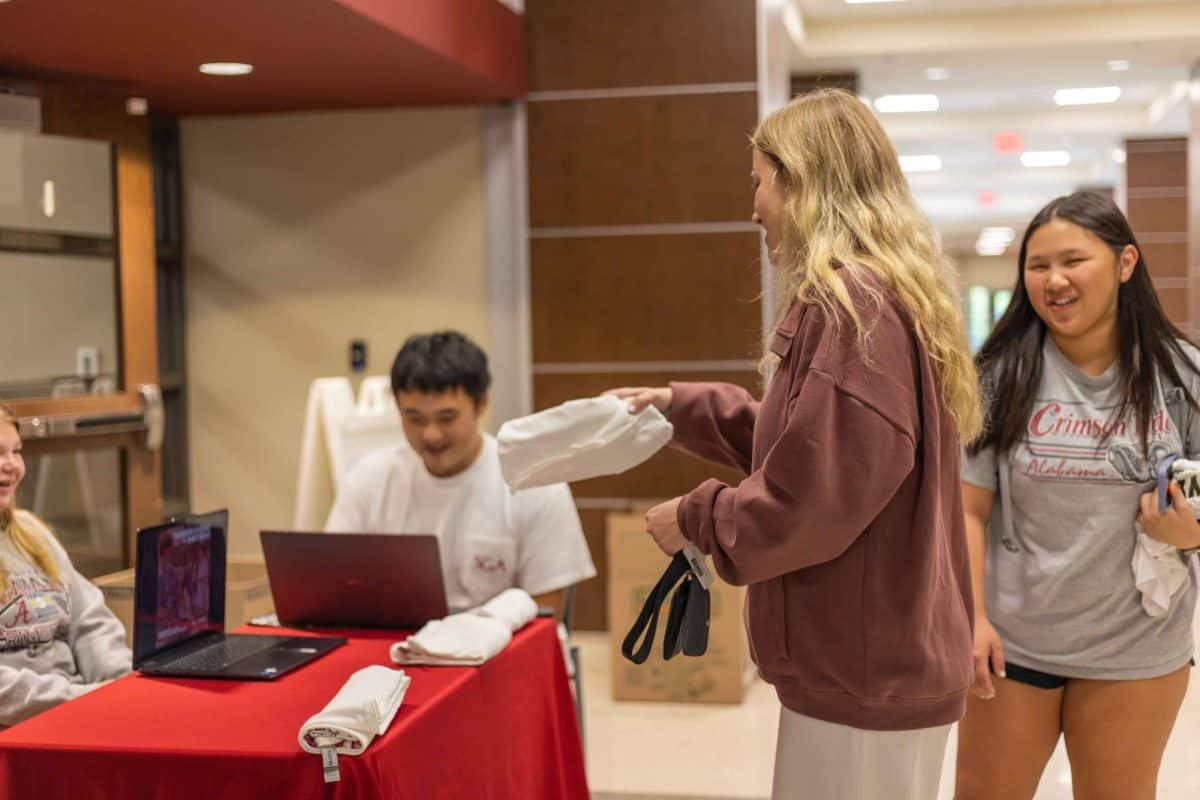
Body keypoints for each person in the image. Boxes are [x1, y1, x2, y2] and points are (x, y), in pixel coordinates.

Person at [608, 88, 981, 799]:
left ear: (805, 182)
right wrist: (680, 408)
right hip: (872, 665)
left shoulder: (855, 306)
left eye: (759, 182)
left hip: (864, 673)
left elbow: (814, 495)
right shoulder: (883, 296)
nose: (754, 209)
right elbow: (813, 445)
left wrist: (697, 517)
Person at [956, 190, 1200, 799]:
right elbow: (967, 507)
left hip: (1136, 644)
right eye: (1037, 266)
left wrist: (1191, 532)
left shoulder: (1182, 376)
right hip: (1014, 642)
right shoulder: (997, 377)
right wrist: (971, 617)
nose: (1053, 280)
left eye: (1073, 261)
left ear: (1125, 264)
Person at [326, 331, 596, 614]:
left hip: (498, 650)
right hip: (394, 649)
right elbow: (333, 583)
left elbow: (546, 614)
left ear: (481, 404)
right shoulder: (370, 479)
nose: (431, 435)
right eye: (414, 418)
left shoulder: (535, 484)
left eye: (447, 418)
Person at [0, 404, 131, 727]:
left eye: (16, 452)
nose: (11, 466)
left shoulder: (31, 532)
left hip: (80, 710)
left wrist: (123, 683)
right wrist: (83, 699)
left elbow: (90, 623)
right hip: (22, 727)